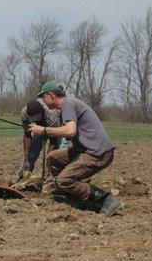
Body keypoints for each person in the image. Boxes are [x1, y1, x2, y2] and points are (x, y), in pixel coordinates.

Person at [28, 80, 121, 217]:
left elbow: (70, 131)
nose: (43, 100)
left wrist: (44, 130)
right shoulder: (67, 105)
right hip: (86, 150)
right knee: (53, 158)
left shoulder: (68, 105)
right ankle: (75, 196)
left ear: (51, 95)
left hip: (97, 153)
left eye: (43, 97)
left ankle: (105, 199)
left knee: (64, 180)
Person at [18, 99, 66, 179]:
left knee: (58, 156)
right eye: (32, 120)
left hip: (56, 128)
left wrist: (48, 165)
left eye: (36, 120)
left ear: (41, 114)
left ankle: (61, 178)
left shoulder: (51, 117)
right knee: (33, 151)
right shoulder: (24, 113)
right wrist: (27, 159)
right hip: (39, 128)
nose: (34, 121)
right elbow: (27, 135)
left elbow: (53, 142)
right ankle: (25, 173)